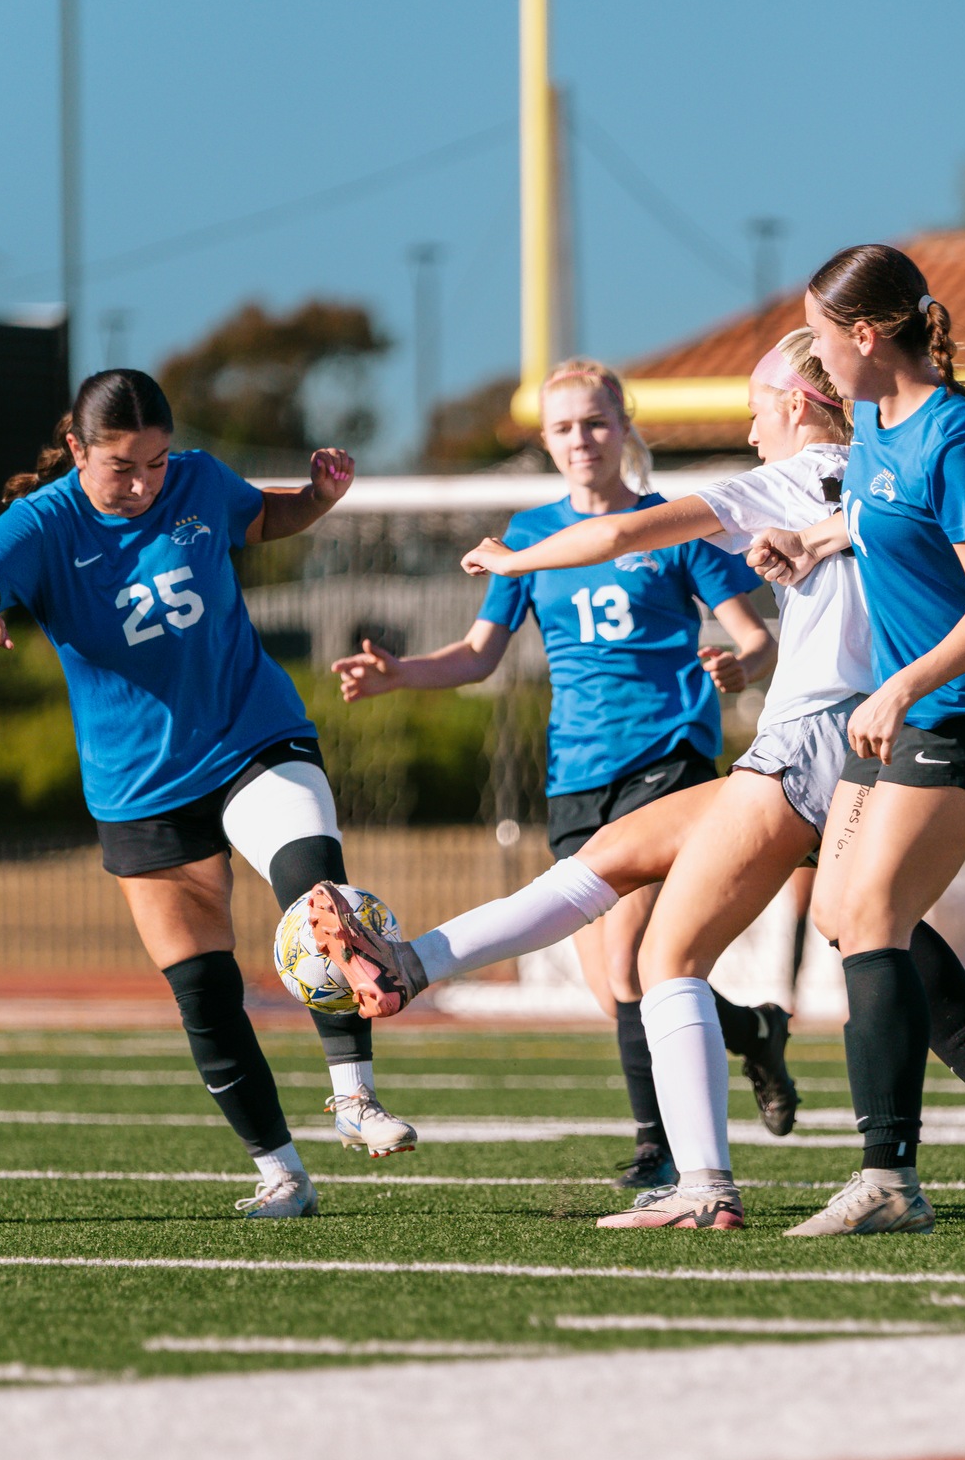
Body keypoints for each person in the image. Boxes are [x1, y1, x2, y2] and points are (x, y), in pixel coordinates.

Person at [311, 330, 965, 1229]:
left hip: (812, 733)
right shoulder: (883, 471)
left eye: (753, 410)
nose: (749, 431)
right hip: (857, 728)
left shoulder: (793, 476)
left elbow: (624, 531)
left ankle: (704, 1184)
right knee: (727, 888)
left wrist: (513, 558)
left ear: (796, 404)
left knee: (671, 956)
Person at [0, 369, 414, 1219]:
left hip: (251, 734)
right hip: (140, 786)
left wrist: (317, 498)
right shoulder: (43, 522)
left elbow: (264, 517)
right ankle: (281, 1174)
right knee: (203, 991)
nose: (144, 484)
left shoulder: (198, 480)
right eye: (122, 467)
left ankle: (355, 1094)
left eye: (156, 462)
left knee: (322, 901)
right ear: (77, 449)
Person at [329, 356, 782, 1187]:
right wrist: (400, 672)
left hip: (667, 758)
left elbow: (755, 636)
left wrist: (739, 666)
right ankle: (752, 1031)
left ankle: (658, 1149)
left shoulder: (670, 524)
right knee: (613, 990)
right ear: (545, 439)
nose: (583, 439)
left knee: (630, 962)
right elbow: (478, 655)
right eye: (565, 427)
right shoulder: (531, 535)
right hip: (577, 774)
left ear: (624, 426)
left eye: (597, 422)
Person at [744, 244, 965, 1238]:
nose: (812, 358)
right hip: (906, 707)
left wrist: (901, 685)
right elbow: (882, 518)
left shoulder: (959, 436)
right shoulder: (877, 423)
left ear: (865, 333)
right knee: (841, 916)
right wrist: (812, 541)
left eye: (819, 335)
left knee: (873, 913)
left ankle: (888, 1177)